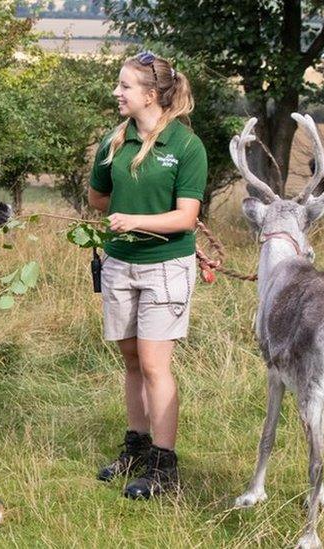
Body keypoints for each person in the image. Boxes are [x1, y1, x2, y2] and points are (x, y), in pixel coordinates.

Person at [87, 51, 206, 500]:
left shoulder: (186, 146)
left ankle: (164, 465)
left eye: (125, 87)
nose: (117, 92)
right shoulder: (114, 140)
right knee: (132, 360)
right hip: (119, 263)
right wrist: (118, 205)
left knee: (156, 364)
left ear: (151, 95)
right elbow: (99, 199)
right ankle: (135, 450)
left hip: (166, 267)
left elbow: (186, 218)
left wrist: (135, 219)